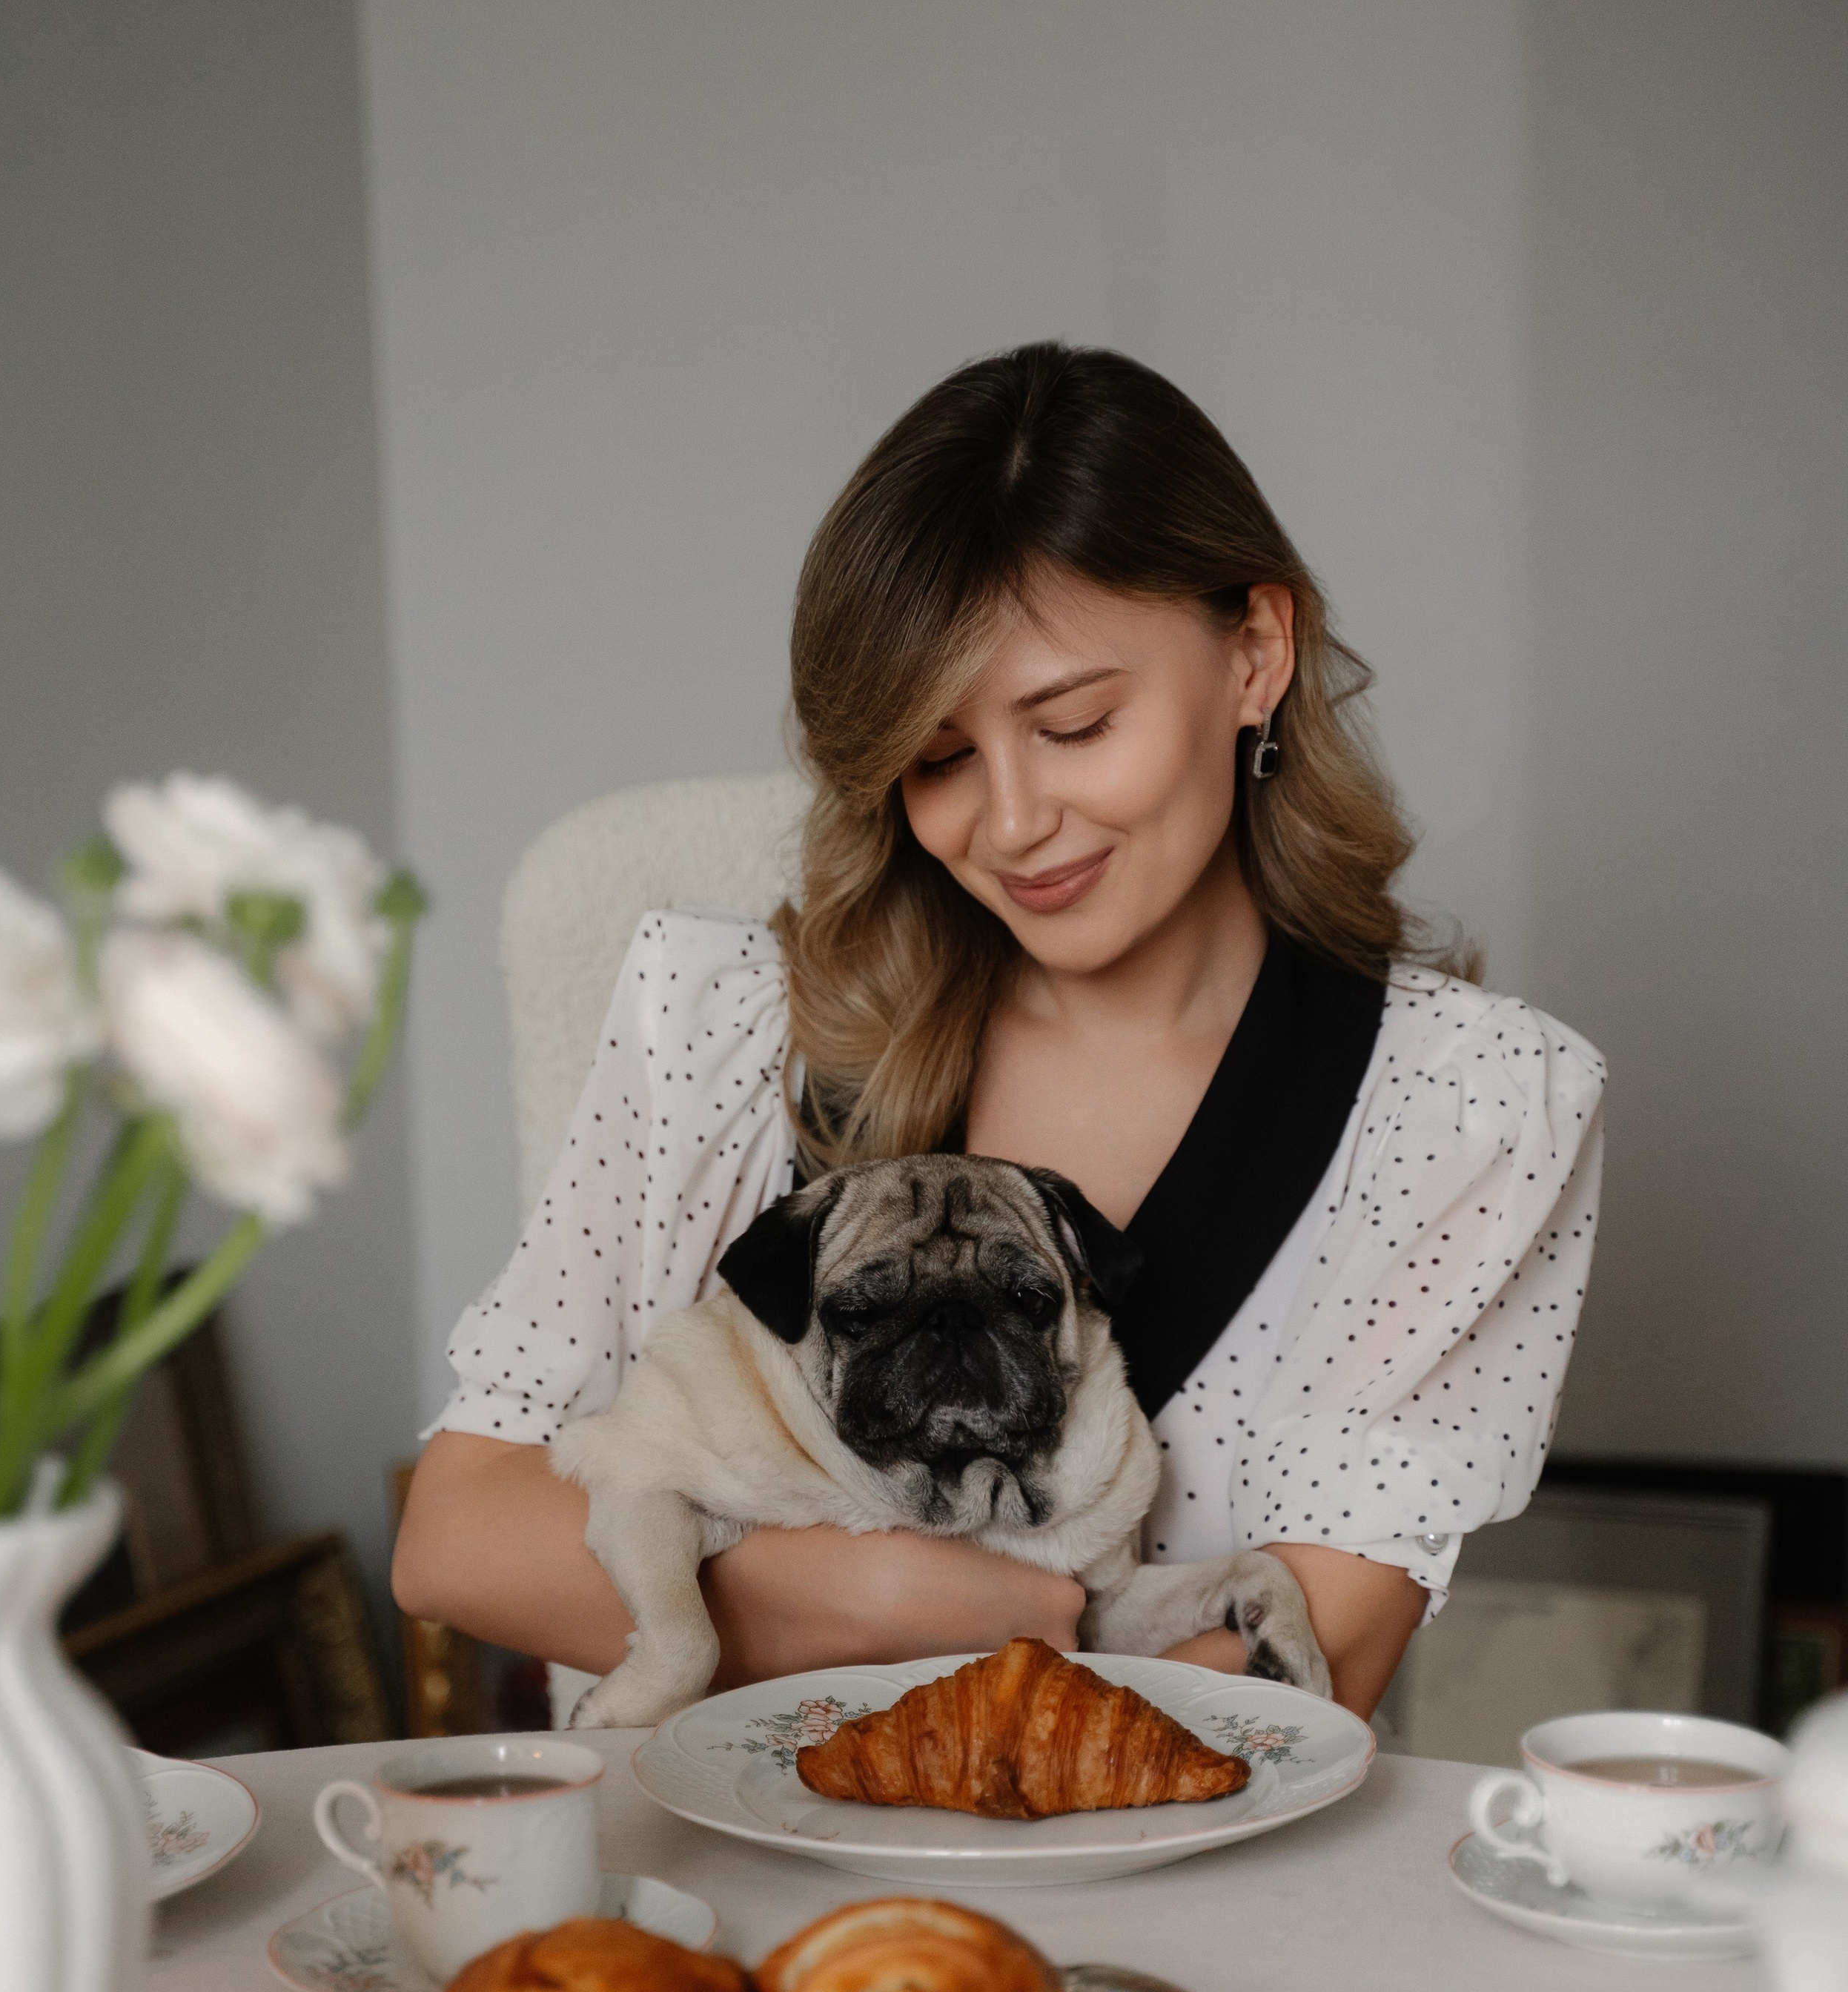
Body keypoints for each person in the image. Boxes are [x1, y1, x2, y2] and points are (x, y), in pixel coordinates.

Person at [393, 345, 1603, 1723]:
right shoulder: (722, 1026)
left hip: (1175, 1910)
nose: (1013, 823)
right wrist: (828, 1607)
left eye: (1075, 723)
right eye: (940, 758)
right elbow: (457, 1538)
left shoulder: (1469, 1113)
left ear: (1256, 655)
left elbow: (1292, 1684)